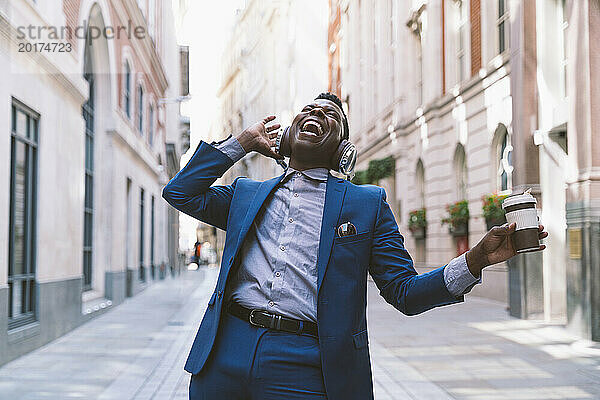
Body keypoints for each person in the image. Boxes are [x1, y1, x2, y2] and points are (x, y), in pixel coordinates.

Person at [162, 92, 547, 400]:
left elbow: (405, 293)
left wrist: (476, 260)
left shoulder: (366, 204)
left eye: (330, 116)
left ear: (342, 150)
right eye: (308, 109)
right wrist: (242, 142)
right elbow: (179, 191)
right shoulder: (246, 194)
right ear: (286, 136)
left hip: (306, 364)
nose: (316, 113)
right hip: (224, 354)